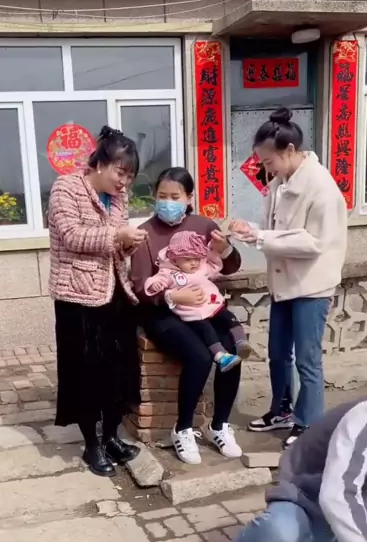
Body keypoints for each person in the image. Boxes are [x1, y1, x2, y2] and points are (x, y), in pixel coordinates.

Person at [170, 398, 367, 542]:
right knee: (276, 531)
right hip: (306, 496)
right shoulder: (363, 418)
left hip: (353, 502)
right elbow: (337, 495)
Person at [230, 107, 347, 449]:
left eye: (269, 161)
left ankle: (309, 423)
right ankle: (281, 410)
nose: (267, 168)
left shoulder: (321, 187)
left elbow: (314, 243)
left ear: (290, 150)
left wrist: (261, 237)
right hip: (283, 283)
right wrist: (251, 231)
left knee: (308, 359)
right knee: (278, 353)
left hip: (312, 285)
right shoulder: (280, 184)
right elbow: (275, 231)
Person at [48, 126, 147, 478]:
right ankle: (92, 445)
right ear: (101, 163)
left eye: (130, 176)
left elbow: (115, 245)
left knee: (118, 369)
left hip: (115, 292)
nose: (124, 182)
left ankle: (112, 437)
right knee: (86, 372)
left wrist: (128, 244)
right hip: (78, 297)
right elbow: (71, 235)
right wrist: (116, 235)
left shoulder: (118, 198)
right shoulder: (66, 187)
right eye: (121, 173)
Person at [131, 167, 243, 465]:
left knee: (231, 350)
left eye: (175, 196)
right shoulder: (144, 233)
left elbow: (230, 266)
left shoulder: (204, 226)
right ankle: (182, 429)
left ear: (189, 197)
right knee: (199, 356)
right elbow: (140, 287)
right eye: (162, 196)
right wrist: (171, 297)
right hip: (162, 313)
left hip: (202, 309)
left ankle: (219, 425)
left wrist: (225, 248)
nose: (167, 202)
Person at [144, 230, 251, 374]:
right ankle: (221, 356)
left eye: (196, 258)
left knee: (229, 318)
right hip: (193, 313)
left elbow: (215, 265)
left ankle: (241, 342)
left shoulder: (201, 267)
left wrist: (213, 250)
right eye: (188, 259)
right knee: (207, 331)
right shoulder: (168, 273)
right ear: (175, 260)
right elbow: (154, 280)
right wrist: (155, 285)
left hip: (212, 305)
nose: (194, 262)